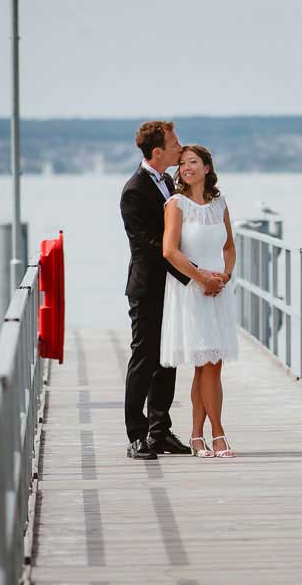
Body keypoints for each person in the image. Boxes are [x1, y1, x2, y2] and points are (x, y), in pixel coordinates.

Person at [119, 121, 207, 460]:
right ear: (157, 152)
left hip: (171, 285)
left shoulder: (168, 181)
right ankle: (136, 434)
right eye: (174, 144)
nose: (180, 148)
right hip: (147, 287)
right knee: (144, 359)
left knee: (167, 359)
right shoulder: (134, 190)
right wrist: (193, 272)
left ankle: (160, 430)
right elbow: (149, 246)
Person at [160, 144, 239, 458]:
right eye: (181, 164)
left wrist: (225, 275)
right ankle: (217, 434)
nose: (186, 168)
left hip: (218, 291)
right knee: (206, 363)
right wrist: (202, 277)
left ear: (207, 167)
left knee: (210, 366)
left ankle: (196, 436)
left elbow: (230, 247)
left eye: (193, 162)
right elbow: (170, 251)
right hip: (192, 291)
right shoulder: (176, 203)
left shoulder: (220, 203)